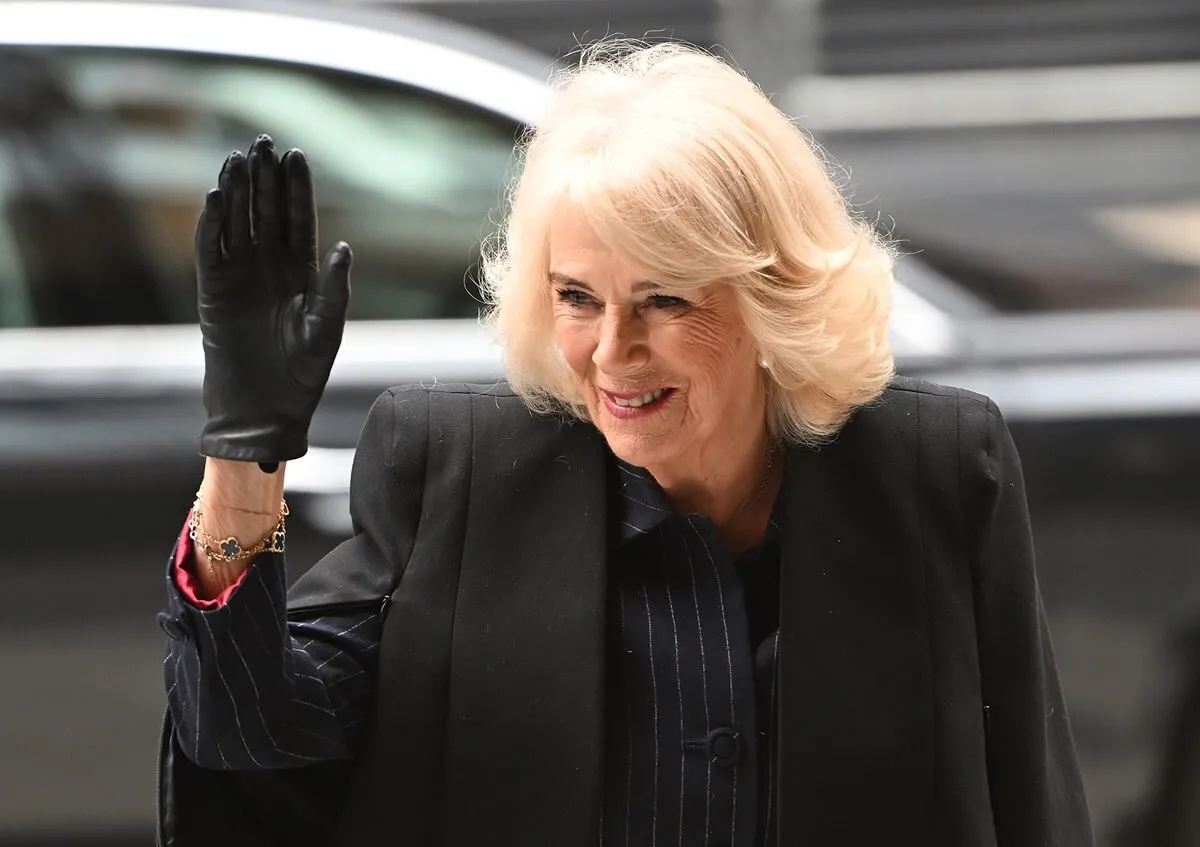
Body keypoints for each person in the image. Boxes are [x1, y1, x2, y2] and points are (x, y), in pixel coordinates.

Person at [156, 41, 1094, 847]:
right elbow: (249, 727)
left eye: (665, 299)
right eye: (577, 297)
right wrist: (245, 455)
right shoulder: (455, 469)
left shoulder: (937, 469)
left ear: (774, 294)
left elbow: (1028, 804)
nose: (612, 351)